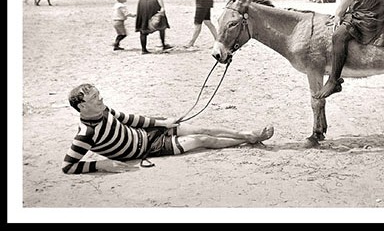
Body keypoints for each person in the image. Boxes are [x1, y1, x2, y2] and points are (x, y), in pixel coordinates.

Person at [62, 83, 275, 174]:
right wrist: (101, 164)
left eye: (99, 94)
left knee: (202, 128)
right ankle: (248, 139)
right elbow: (68, 167)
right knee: (201, 140)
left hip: (148, 133)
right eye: (94, 98)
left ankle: (247, 133)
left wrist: (162, 123)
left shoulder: (104, 110)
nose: (101, 99)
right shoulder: (86, 134)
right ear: (82, 106)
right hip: (149, 149)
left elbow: (132, 119)